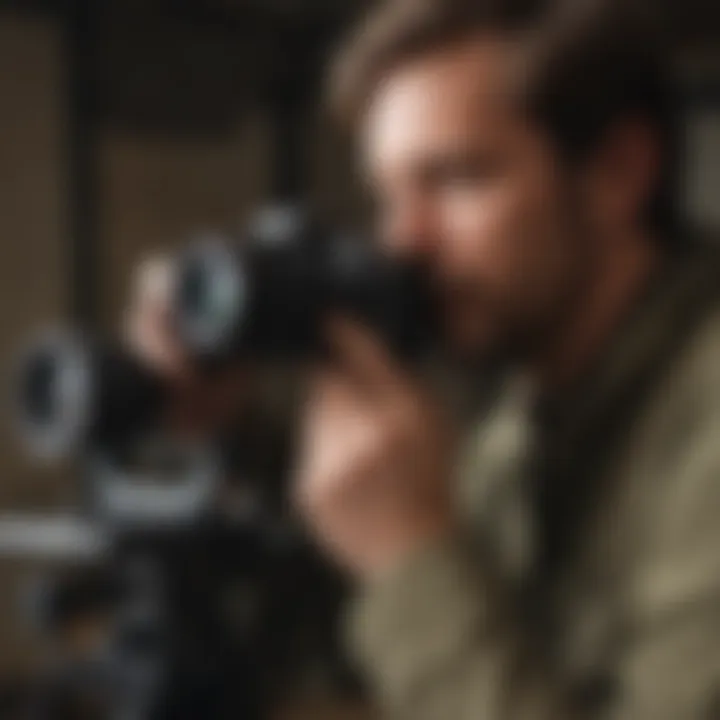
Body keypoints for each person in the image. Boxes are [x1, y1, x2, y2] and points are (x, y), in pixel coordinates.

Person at [129, 0, 720, 717]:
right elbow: (360, 642)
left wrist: (410, 557)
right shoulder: (525, 423)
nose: (404, 243)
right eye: (389, 196)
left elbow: (424, 611)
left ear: (619, 172)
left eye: (455, 179)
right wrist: (231, 437)